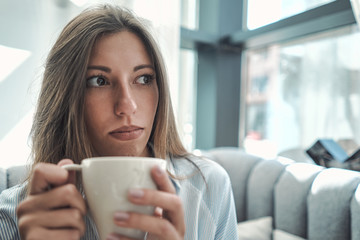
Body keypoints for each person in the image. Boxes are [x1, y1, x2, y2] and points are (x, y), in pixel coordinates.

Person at [0, 4, 238, 240]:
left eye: (143, 78)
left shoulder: (209, 187)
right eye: (99, 81)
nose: (127, 106)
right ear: (65, 98)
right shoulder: (16, 215)